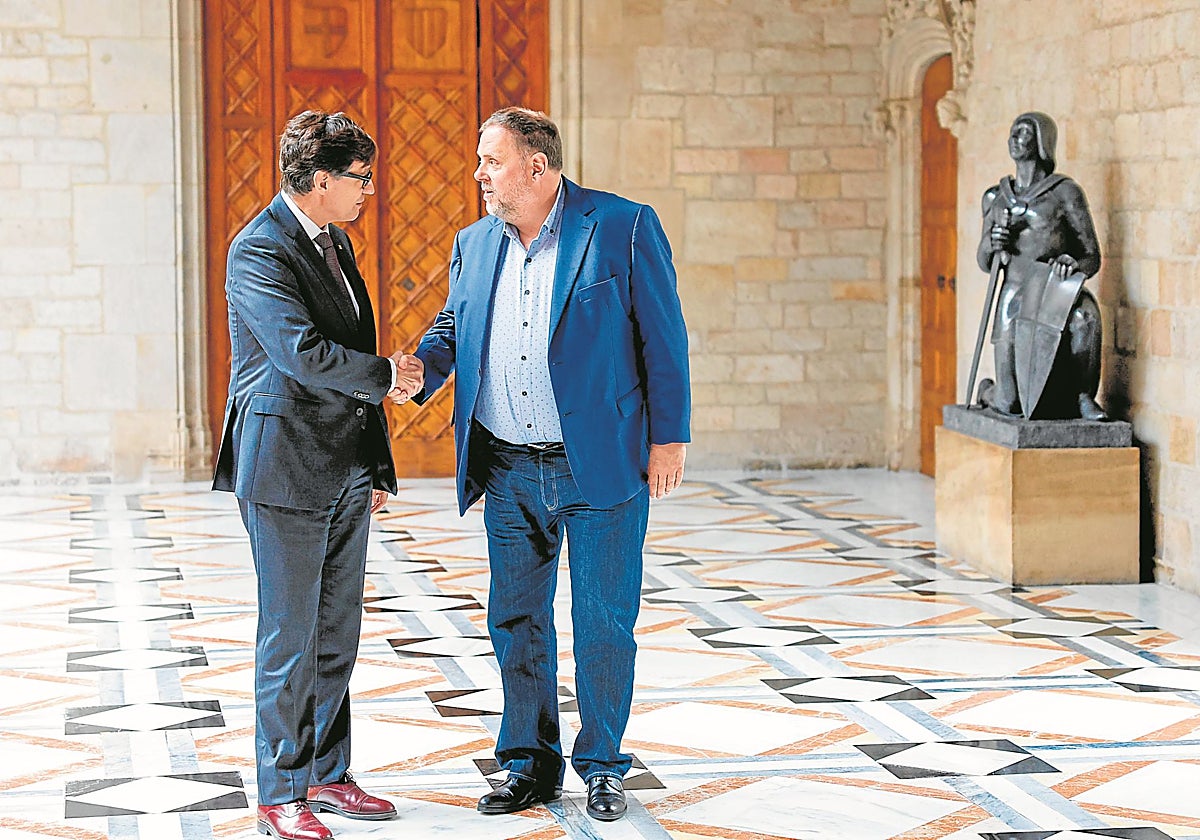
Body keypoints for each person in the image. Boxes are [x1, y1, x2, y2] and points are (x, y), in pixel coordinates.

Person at [406, 107, 690, 821]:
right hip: (505, 466)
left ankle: (601, 766)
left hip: (600, 464)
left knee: (603, 623)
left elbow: (663, 337)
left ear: (537, 165)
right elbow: (453, 325)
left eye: (491, 162)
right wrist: (420, 368)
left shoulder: (621, 226)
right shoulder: (474, 243)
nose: (479, 174)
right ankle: (527, 765)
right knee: (517, 618)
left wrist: (668, 439)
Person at [212, 111, 422, 840]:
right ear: (322, 179)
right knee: (290, 636)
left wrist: (374, 464)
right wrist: (389, 375)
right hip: (284, 469)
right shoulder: (258, 250)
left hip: (342, 465)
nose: (370, 188)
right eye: (361, 177)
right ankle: (280, 792)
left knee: (337, 632)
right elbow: (302, 354)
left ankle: (329, 775)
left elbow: (341, 356)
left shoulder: (337, 242)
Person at [975, 111, 1106, 420]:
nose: (1015, 139)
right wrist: (992, 244)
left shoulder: (1064, 193)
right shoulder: (996, 198)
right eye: (1013, 132)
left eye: (1024, 133)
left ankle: (1082, 396)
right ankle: (987, 391)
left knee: (1085, 317)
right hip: (1015, 292)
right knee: (1010, 403)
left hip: (1053, 288)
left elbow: (1092, 257)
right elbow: (984, 262)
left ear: (1042, 142)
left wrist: (1071, 263)